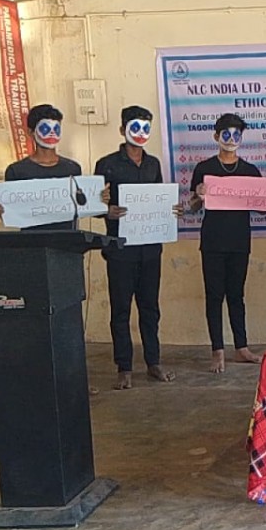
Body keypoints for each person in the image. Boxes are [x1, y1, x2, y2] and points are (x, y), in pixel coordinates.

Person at [94, 105, 180, 390]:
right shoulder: (106, 164)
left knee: (150, 308)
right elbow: (95, 204)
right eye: (135, 127)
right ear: (122, 130)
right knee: (121, 309)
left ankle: (153, 362)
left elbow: (159, 199)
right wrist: (106, 211)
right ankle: (124, 367)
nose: (141, 133)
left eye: (145, 128)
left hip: (151, 248)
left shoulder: (153, 164)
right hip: (120, 249)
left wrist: (170, 210)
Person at [188, 113, 265, 373]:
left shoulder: (250, 171)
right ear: (216, 136)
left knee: (236, 295)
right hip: (212, 241)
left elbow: (263, 206)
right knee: (214, 296)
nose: (231, 139)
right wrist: (198, 195)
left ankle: (241, 347)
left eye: (236, 134)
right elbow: (193, 207)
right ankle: (217, 350)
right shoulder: (204, 168)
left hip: (239, 241)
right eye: (226, 134)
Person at [0, 104, 91, 231]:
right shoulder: (17, 171)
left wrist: (99, 198)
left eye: (56, 129)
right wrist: (1, 210)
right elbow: (11, 212)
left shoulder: (72, 169)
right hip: (31, 240)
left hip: (67, 239)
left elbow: (81, 204)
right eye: (45, 129)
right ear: (30, 132)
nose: (52, 133)